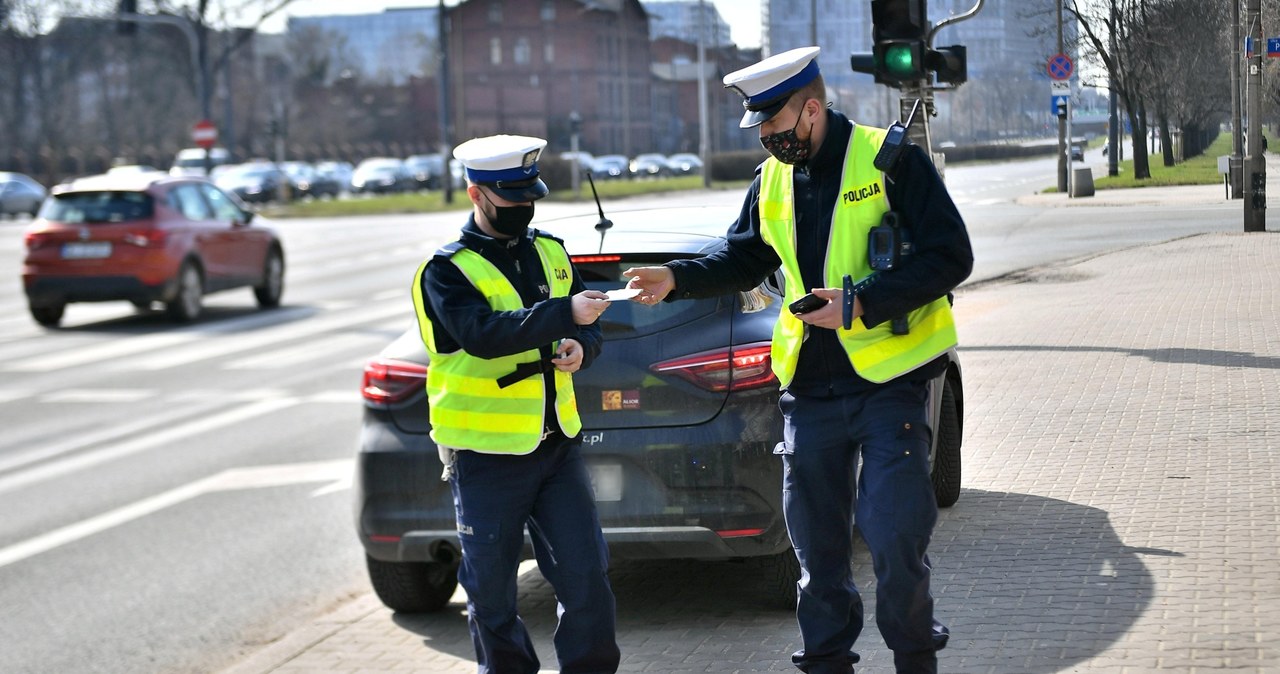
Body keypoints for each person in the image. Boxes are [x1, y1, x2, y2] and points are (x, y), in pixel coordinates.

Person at [624, 47, 972, 674]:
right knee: (817, 551)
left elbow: (952, 258)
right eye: (757, 127)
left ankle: (914, 651)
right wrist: (674, 278)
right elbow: (742, 259)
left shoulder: (891, 159)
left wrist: (861, 303)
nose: (765, 138)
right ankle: (826, 659)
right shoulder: (771, 180)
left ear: (811, 110)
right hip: (809, 393)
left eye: (774, 124)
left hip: (889, 383)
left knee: (895, 535)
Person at [410, 134, 620, 674]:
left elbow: (588, 325)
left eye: (531, 197)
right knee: (493, 597)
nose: (525, 208)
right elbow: (482, 334)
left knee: (587, 579)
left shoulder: (549, 250)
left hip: (556, 450)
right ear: (477, 194)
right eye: (512, 199)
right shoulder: (445, 271)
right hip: (486, 458)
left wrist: (583, 346)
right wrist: (565, 315)